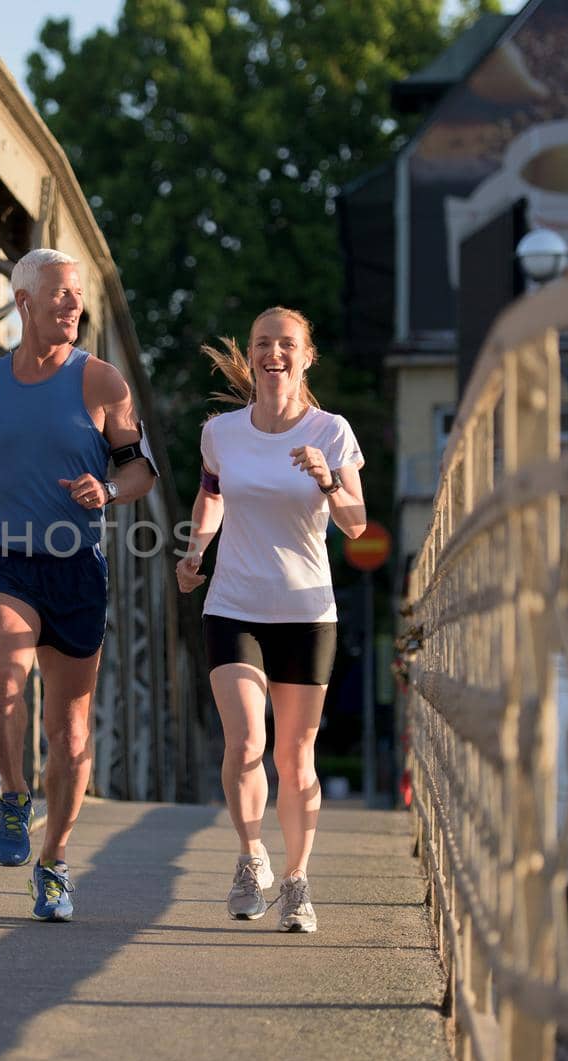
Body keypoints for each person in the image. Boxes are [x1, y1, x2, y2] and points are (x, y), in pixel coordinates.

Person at [0, 248, 158, 921]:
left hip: (76, 567)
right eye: (59, 294)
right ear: (23, 301)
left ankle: (54, 860)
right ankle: (11, 794)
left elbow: (141, 471)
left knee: (72, 731)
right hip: (4, 560)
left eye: (78, 295)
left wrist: (110, 489)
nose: (72, 305)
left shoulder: (103, 383)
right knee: (0, 686)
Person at [176, 307, 366, 933]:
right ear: (251, 355)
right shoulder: (221, 433)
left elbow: (356, 524)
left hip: (308, 611)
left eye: (287, 344)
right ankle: (251, 856)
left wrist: (328, 481)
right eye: (263, 344)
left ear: (306, 356)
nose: (273, 353)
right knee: (246, 742)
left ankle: (297, 881)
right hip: (234, 605)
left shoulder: (332, 431)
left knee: (295, 754)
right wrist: (198, 546)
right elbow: (211, 492)